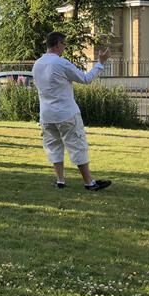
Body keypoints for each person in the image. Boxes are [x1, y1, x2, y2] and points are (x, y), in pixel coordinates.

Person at [31, 31, 112, 191]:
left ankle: (60, 180)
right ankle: (89, 182)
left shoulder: (37, 64)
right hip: (66, 113)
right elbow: (85, 79)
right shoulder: (61, 63)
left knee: (53, 146)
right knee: (77, 145)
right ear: (57, 44)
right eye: (64, 44)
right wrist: (100, 63)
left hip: (46, 114)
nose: (65, 47)